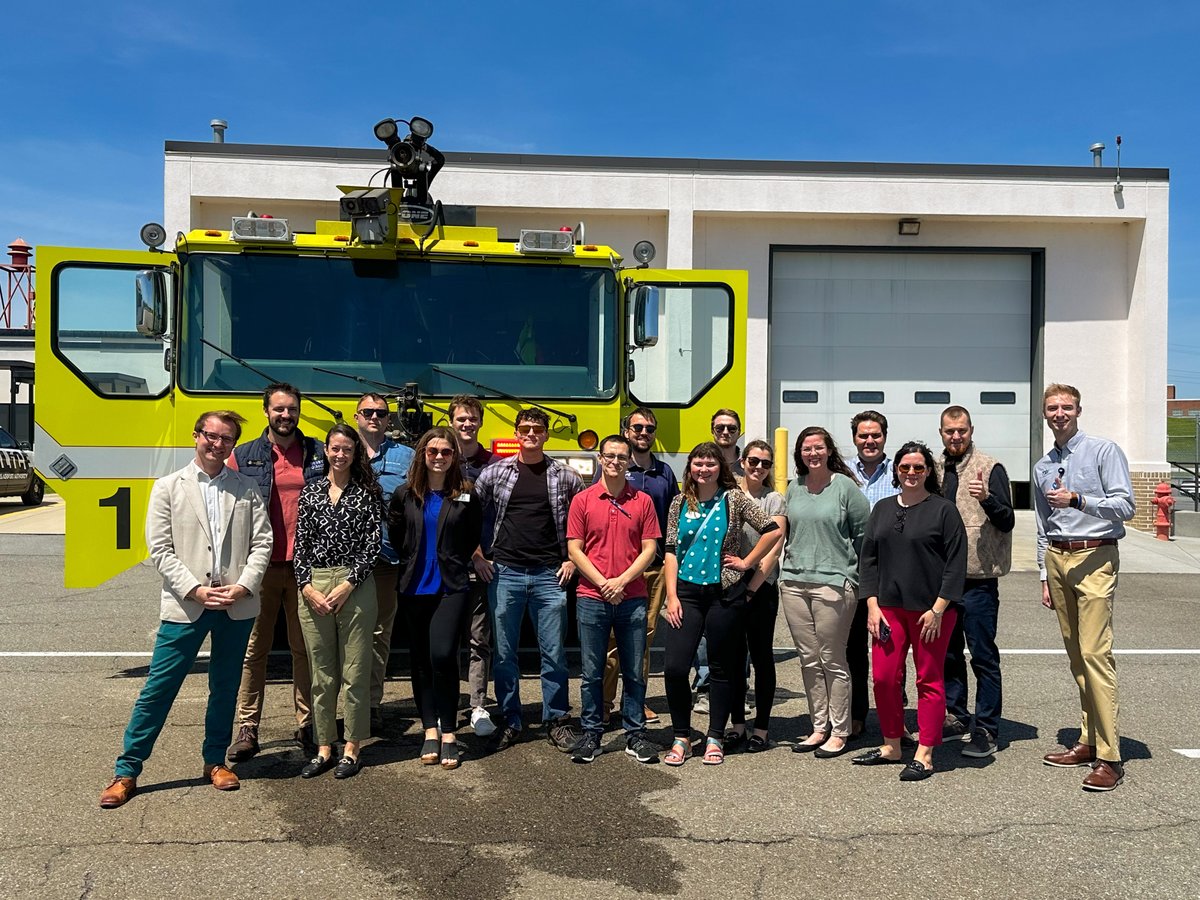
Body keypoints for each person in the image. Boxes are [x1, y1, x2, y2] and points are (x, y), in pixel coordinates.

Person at [100, 412, 273, 808]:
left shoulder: (246, 489)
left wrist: (245, 584)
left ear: (233, 444)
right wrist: (194, 589)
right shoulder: (167, 487)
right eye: (211, 436)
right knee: (158, 688)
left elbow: (263, 541)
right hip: (186, 605)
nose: (218, 444)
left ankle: (215, 761)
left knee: (225, 688)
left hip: (235, 604)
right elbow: (160, 549)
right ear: (196, 436)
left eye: (227, 439)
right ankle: (127, 770)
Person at [1034, 383, 1134, 792]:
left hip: (1095, 556)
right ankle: (1088, 740)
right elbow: (1043, 524)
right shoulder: (1043, 466)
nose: (1060, 413)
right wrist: (1044, 573)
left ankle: (1110, 757)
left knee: (1095, 653)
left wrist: (1079, 500)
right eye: (1053, 407)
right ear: (1045, 413)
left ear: (1078, 410)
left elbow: (1125, 505)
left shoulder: (1103, 451)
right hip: (1058, 559)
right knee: (1077, 656)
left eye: (1066, 407)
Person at [661, 442, 781, 767]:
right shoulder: (678, 503)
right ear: (690, 468)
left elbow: (772, 530)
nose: (704, 469)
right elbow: (670, 550)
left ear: (720, 468)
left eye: (710, 463)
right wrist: (670, 595)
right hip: (686, 592)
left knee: (721, 667)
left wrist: (747, 561)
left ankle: (715, 735)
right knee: (674, 668)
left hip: (724, 593)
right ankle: (682, 736)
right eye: (698, 463)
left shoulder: (733, 499)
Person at [853, 441, 966, 782]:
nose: (912, 473)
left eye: (918, 468)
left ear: (928, 471)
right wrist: (871, 604)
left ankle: (925, 753)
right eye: (905, 468)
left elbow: (956, 564)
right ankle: (891, 745)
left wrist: (939, 608)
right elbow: (868, 559)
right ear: (896, 471)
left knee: (928, 679)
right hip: (888, 609)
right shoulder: (884, 509)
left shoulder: (944, 510)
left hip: (931, 612)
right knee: (885, 677)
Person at [473, 408, 584, 752]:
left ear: (546, 434)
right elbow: (467, 517)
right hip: (504, 572)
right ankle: (511, 718)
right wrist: (478, 556)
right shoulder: (495, 473)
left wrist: (571, 560)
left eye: (537, 429)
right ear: (516, 432)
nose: (531, 433)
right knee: (505, 654)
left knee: (553, 654)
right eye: (525, 428)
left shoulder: (566, 476)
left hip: (549, 574)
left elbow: (583, 523)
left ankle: (557, 719)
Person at [229, 383, 326, 762]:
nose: (286, 416)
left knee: (305, 650)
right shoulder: (244, 455)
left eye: (292, 409)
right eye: (279, 409)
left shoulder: (316, 452)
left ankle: (306, 724)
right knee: (256, 650)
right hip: (261, 569)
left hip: (305, 569)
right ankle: (248, 727)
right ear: (266, 411)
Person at [388, 427, 483, 770]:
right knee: (420, 660)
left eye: (446, 451)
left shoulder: (467, 493)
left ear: (455, 456)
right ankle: (429, 729)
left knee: (443, 655)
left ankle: (449, 733)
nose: (439, 457)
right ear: (422, 455)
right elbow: (397, 534)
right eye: (433, 451)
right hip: (414, 585)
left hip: (452, 586)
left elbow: (473, 533)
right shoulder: (405, 494)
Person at [293, 424, 381, 779]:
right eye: (335, 448)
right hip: (315, 583)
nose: (341, 454)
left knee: (355, 670)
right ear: (326, 451)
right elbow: (300, 546)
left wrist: (348, 584)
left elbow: (372, 545)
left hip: (354, 585)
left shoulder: (366, 493)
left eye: (348, 449)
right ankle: (324, 745)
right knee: (322, 673)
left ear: (355, 454)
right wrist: (307, 588)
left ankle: (352, 747)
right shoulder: (311, 493)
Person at [567, 434, 662, 764]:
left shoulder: (643, 501)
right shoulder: (583, 499)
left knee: (634, 671)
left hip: (632, 596)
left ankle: (635, 733)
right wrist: (603, 582)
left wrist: (621, 581)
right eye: (610, 456)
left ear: (628, 462)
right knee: (592, 671)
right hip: (591, 597)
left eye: (622, 457)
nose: (616, 462)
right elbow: (574, 549)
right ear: (600, 458)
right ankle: (591, 733)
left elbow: (650, 549)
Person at [779, 427, 870, 759]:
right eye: (806, 448)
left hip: (834, 584)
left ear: (829, 451)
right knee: (808, 658)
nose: (812, 453)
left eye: (818, 447)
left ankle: (840, 729)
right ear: (799, 453)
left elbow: (864, 539)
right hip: (793, 583)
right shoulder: (794, 488)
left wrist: (857, 580)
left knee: (833, 659)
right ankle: (819, 727)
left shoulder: (845, 488)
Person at [937, 405, 1014, 758]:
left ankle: (986, 728)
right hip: (943, 582)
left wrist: (986, 498)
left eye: (962, 431)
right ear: (941, 433)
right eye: (950, 431)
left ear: (971, 430)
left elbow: (1008, 520)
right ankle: (955, 715)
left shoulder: (990, 467)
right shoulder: (934, 468)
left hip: (979, 580)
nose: (956, 436)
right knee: (948, 655)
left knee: (982, 656)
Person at [599, 407, 678, 727]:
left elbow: (673, 518)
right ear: (626, 431)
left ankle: (636, 700)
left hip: (654, 568)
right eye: (637, 428)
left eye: (649, 428)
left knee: (642, 640)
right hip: (616, 570)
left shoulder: (665, 473)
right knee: (612, 640)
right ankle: (604, 703)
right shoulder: (615, 466)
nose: (643, 433)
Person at [353, 393, 415, 735]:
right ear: (357, 416)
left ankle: (371, 705)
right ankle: (343, 706)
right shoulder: (339, 450)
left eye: (381, 413)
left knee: (378, 635)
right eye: (368, 412)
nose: (374, 417)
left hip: (386, 558)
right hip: (344, 560)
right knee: (343, 636)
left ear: (388, 419)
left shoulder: (407, 456)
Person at [725, 440, 787, 753]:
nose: (758, 467)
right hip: (731, 583)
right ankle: (737, 724)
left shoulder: (775, 500)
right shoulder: (730, 494)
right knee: (735, 658)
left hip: (761, 586)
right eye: (753, 461)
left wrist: (752, 587)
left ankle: (761, 729)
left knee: (762, 657)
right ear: (743, 462)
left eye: (765, 463)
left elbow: (774, 547)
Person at [847, 409, 901, 737]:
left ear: (885, 436)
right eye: (863, 435)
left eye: (876, 435)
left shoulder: (899, 471)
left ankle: (895, 720)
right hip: (853, 572)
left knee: (892, 649)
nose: (870, 441)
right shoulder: (843, 473)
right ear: (854, 438)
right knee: (853, 649)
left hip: (892, 573)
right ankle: (857, 714)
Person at [449, 394, 497, 737]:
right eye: (461, 419)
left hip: (482, 565)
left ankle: (478, 704)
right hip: (446, 565)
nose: (467, 424)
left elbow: (492, 517)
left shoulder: (494, 465)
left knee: (479, 638)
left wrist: (482, 556)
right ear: (452, 421)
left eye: (472, 419)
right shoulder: (439, 458)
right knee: (447, 639)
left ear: (480, 422)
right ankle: (448, 704)